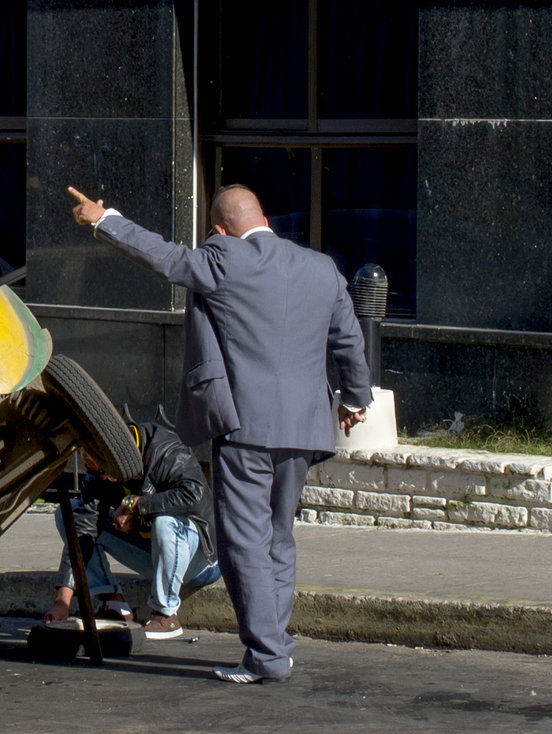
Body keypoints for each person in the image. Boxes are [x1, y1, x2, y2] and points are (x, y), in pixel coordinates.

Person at [66, 181, 372, 684]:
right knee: (278, 536)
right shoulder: (322, 269)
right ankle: (278, 645)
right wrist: (356, 398)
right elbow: (348, 339)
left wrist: (103, 219)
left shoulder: (225, 258)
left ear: (219, 229)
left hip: (247, 426)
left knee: (243, 542)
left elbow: (164, 258)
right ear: (265, 217)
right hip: (305, 426)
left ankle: (266, 656)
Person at [41, 415, 220, 643]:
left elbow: (194, 495)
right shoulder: (100, 471)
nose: (103, 477)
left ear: (120, 455)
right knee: (69, 514)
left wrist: (137, 506)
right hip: (155, 554)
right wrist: (62, 602)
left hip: (202, 559)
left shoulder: (166, 451)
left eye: (105, 470)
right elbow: (83, 529)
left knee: (165, 521)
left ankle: (166, 615)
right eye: (96, 470)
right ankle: (113, 602)